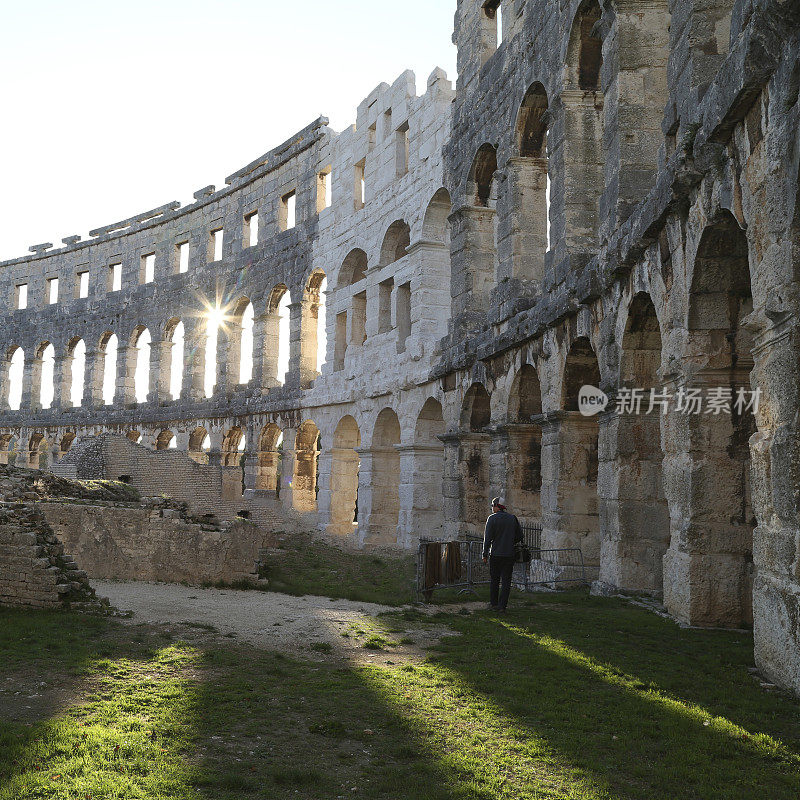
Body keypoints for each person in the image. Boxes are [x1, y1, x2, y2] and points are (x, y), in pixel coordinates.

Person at [482, 496, 522, 612]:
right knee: (506, 581)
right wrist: (510, 541)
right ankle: (502, 606)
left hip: (495, 554)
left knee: (494, 580)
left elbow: (488, 538)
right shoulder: (512, 518)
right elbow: (519, 536)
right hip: (509, 554)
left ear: (497, 506)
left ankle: (494, 604)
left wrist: (484, 554)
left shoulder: (492, 519)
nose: (492, 508)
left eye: (492, 506)